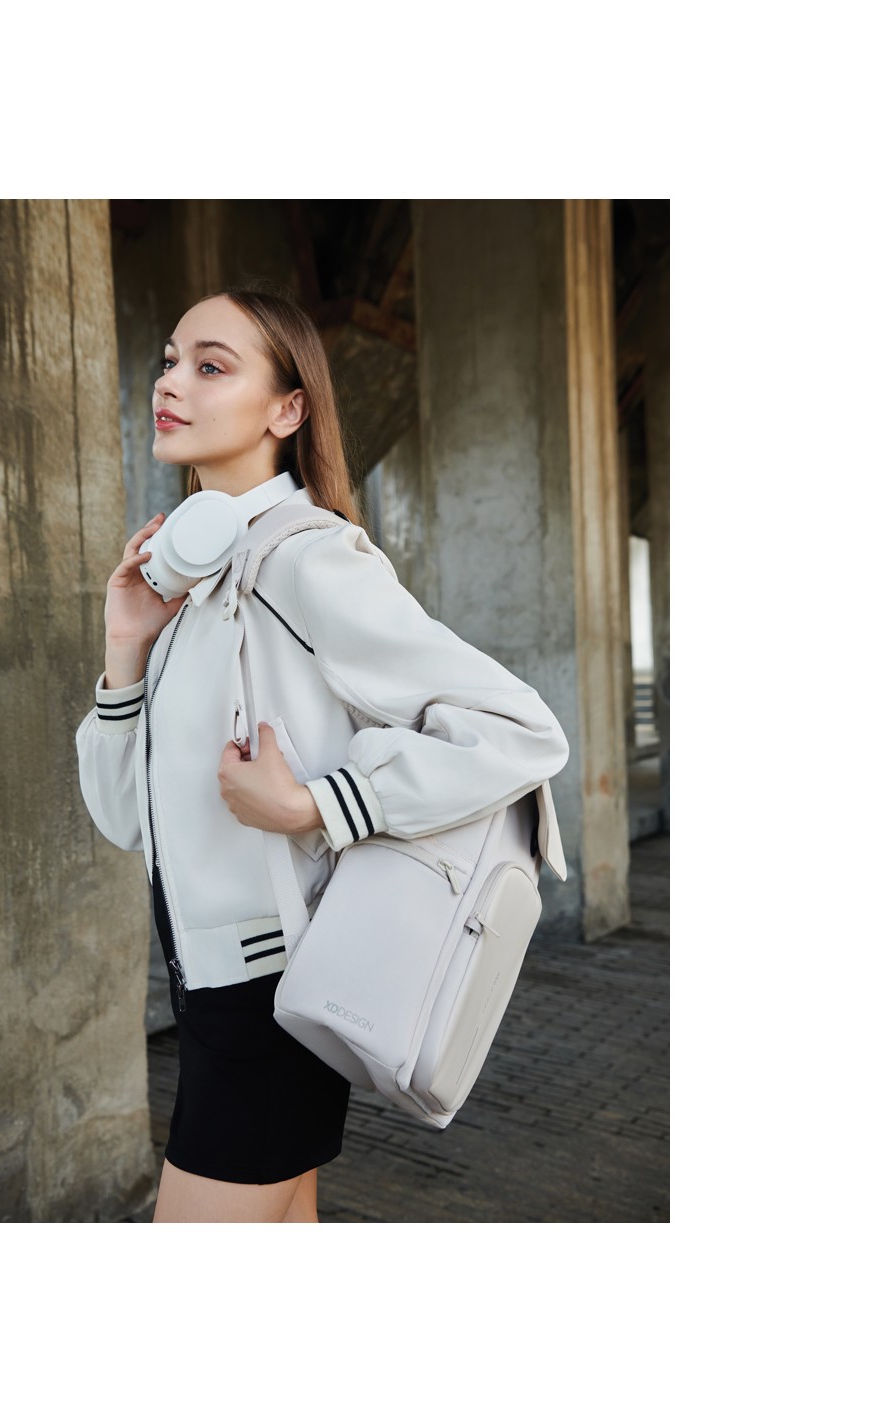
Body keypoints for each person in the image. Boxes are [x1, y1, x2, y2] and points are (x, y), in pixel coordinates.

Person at [76, 283, 570, 1223]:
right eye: (170, 360)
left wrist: (318, 805)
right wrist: (125, 649)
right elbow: (119, 818)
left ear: (288, 409)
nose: (171, 382)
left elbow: (521, 729)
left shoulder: (306, 560)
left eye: (211, 366)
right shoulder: (190, 584)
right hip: (212, 994)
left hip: (268, 996)